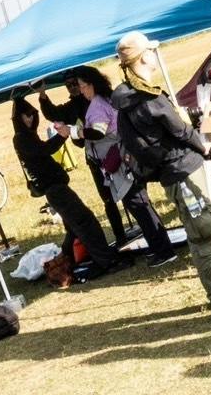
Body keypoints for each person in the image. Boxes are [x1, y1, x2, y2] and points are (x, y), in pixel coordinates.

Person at [114, 31, 211, 318]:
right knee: (203, 233)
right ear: (143, 57)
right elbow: (180, 130)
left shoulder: (126, 101)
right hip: (182, 172)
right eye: (151, 51)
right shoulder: (147, 98)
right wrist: (203, 146)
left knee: (205, 228)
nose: (155, 54)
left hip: (174, 173)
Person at [68, 65, 178, 267]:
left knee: (139, 205)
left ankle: (164, 250)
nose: (81, 90)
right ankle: (161, 247)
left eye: (83, 86)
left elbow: (99, 132)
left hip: (120, 163)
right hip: (129, 156)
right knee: (142, 204)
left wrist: (74, 132)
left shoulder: (97, 105)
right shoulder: (109, 99)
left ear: (91, 84)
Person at [11, 97, 121, 275]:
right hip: (55, 189)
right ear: (19, 118)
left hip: (56, 188)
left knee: (73, 228)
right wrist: (63, 136)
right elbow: (44, 150)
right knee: (86, 222)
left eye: (32, 114)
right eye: (26, 115)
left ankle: (64, 262)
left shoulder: (28, 136)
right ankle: (106, 260)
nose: (30, 118)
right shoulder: (21, 139)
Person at [39, 75, 128, 247]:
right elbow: (53, 114)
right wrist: (42, 94)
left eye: (75, 83)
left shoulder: (98, 99)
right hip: (95, 159)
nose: (72, 87)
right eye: (68, 85)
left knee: (130, 193)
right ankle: (121, 237)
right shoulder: (73, 106)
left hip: (114, 150)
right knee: (108, 199)